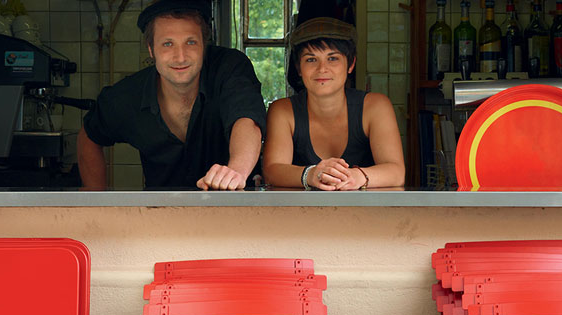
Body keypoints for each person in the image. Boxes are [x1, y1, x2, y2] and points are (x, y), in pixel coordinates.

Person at [77, 0, 266, 190]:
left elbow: (247, 120)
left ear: (204, 46)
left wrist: (236, 171)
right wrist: (95, 198)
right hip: (159, 213)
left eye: (190, 42)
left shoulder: (229, 67)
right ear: (151, 50)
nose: (180, 57)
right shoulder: (128, 95)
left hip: (234, 209)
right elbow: (90, 135)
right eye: (167, 44)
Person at [262, 17, 405, 190]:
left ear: (350, 64)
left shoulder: (375, 106)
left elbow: (397, 172)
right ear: (299, 68)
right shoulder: (283, 110)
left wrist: (356, 177)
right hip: (299, 214)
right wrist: (311, 174)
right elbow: (272, 171)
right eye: (311, 59)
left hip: (368, 214)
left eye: (333, 58)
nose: (322, 68)